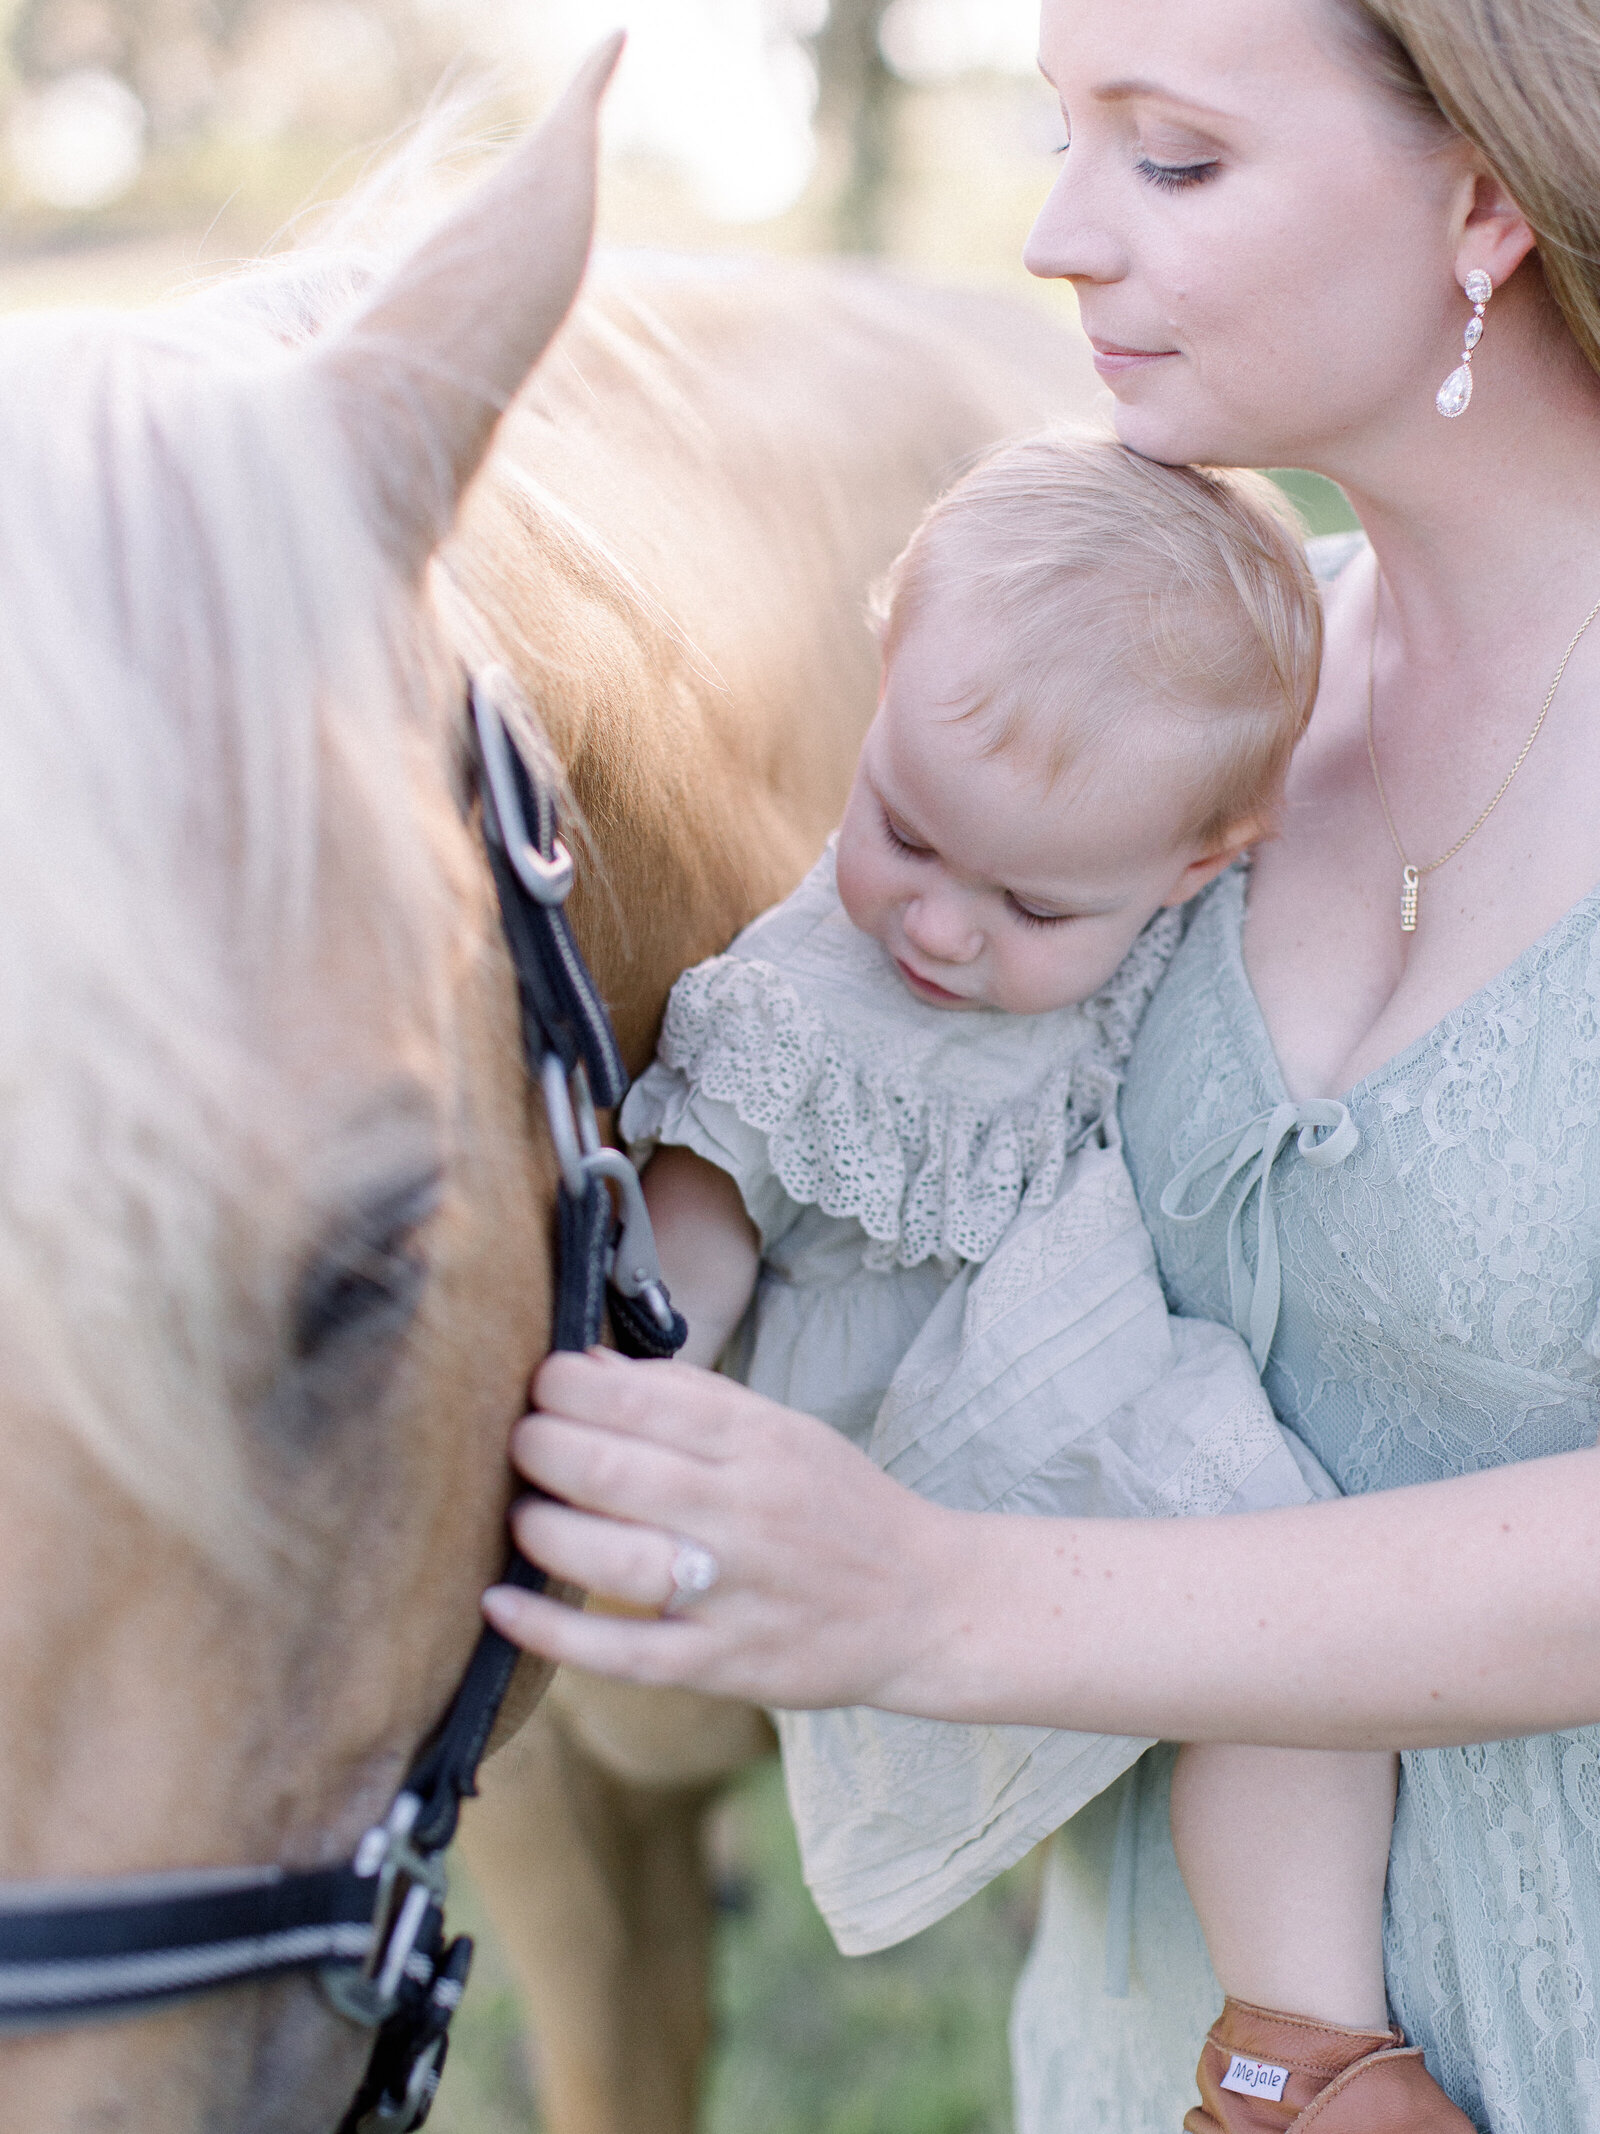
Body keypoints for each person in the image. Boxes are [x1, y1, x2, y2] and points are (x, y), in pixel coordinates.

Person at [483, 2, 1600, 2128]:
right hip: (1150, 2061)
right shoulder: (1169, 708)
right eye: (1051, 132)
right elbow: (833, 1068)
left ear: (1478, 196)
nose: (1054, 237)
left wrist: (937, 1599)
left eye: (1168, 158)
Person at [619, 430, 1446, 2130]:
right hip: (911, 1425)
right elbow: (689, 1235)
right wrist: (636, 1396)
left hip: (1061, 1353)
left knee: (1286, 1624)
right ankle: (1306, 2038)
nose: (935, 929)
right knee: (1253, 1565)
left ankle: (1296, 2040)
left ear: (1199, 867)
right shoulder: (807, 997)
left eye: (1034, 905)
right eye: (901, 832)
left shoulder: (1162, 882)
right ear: (878, 687)